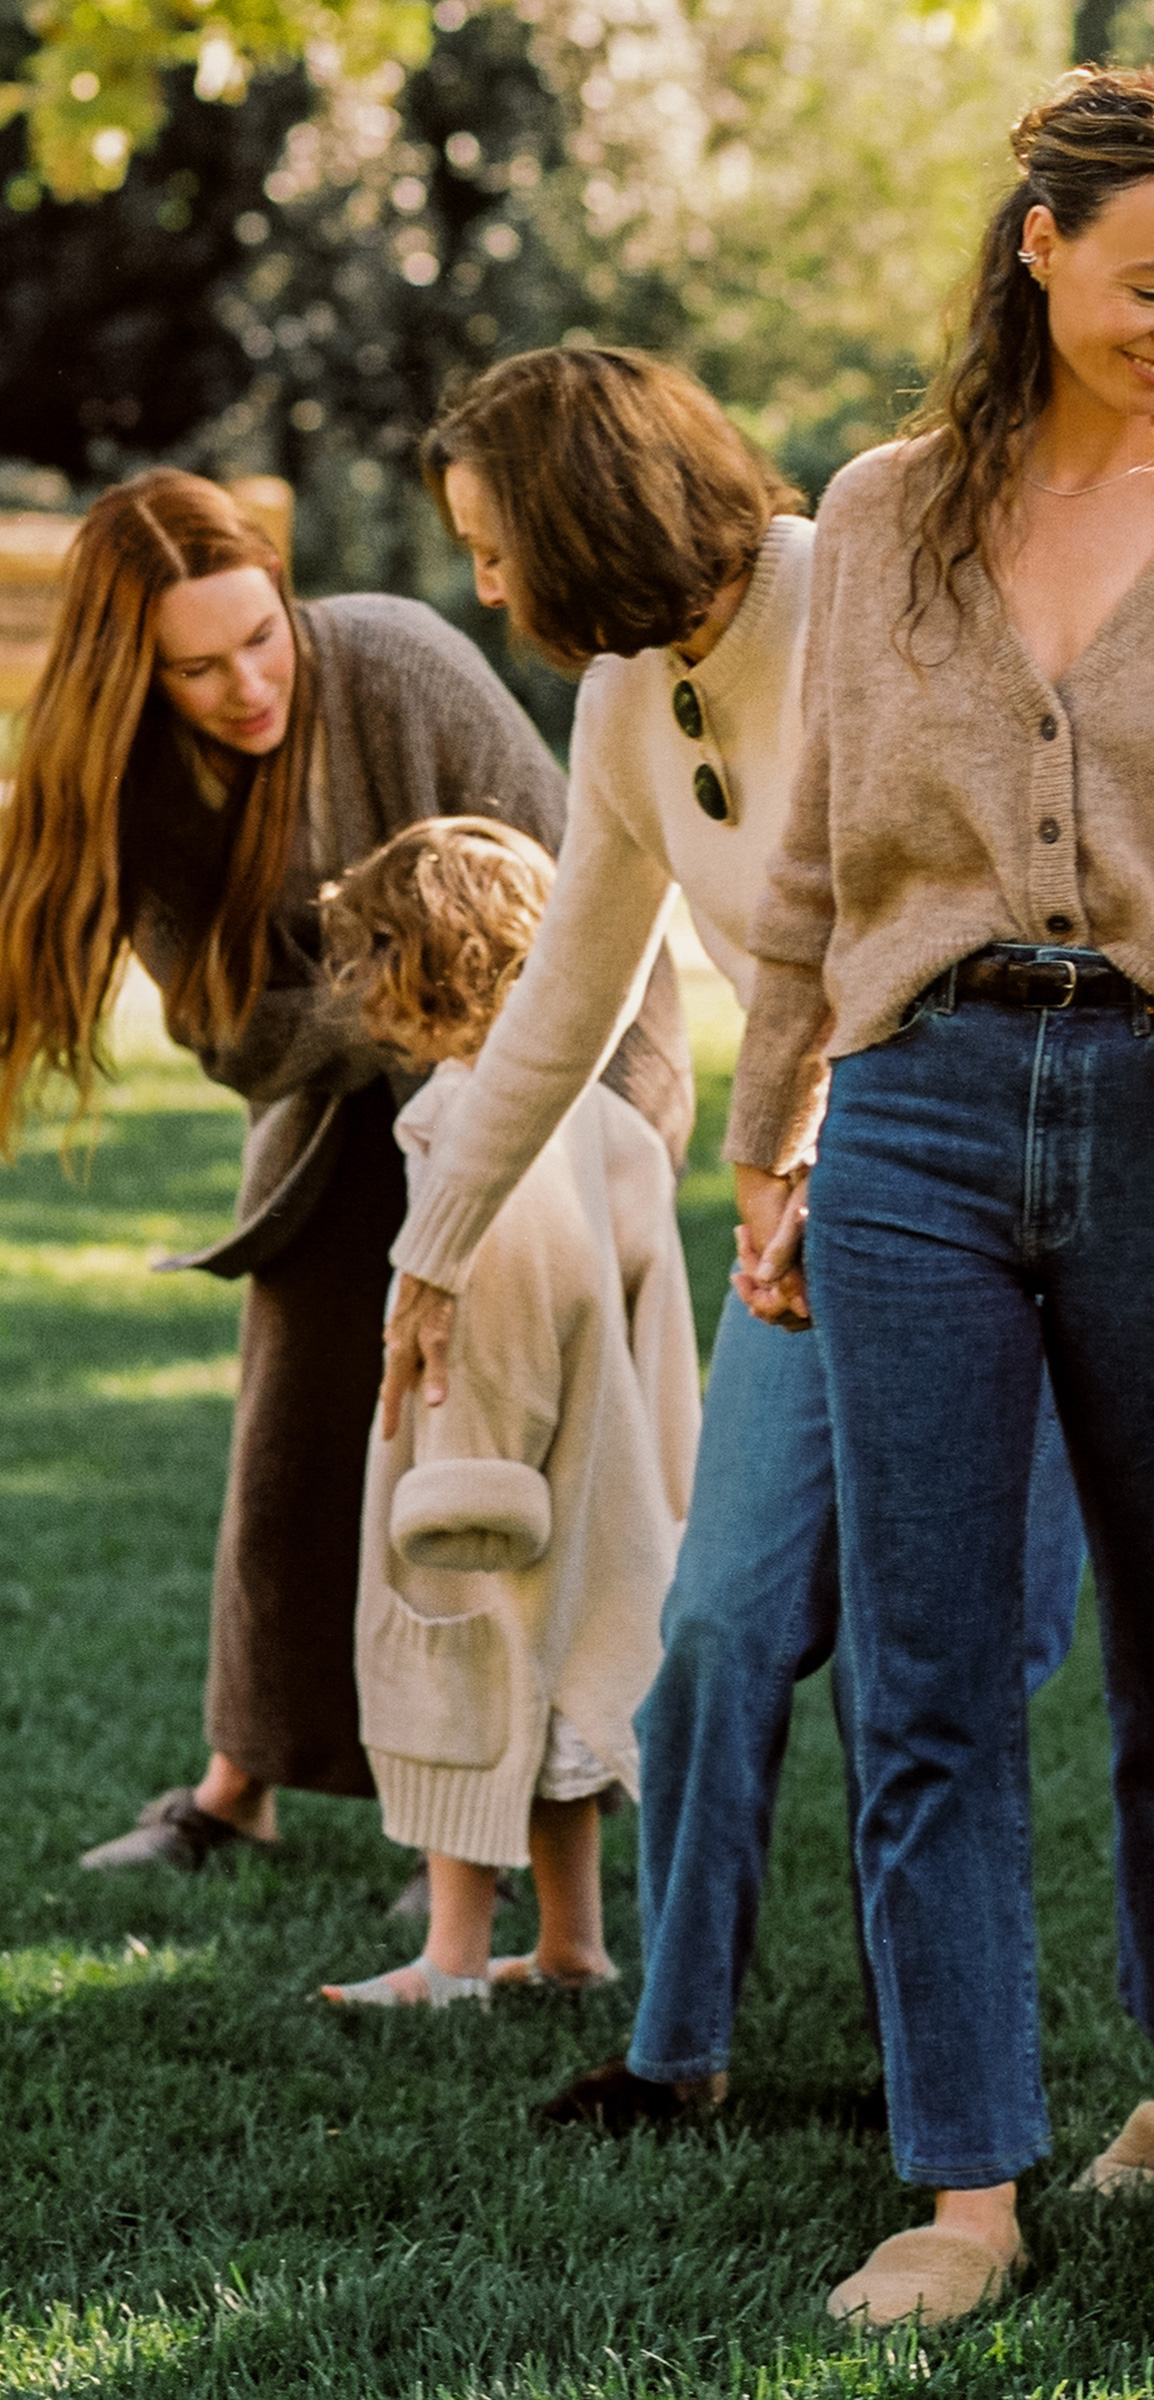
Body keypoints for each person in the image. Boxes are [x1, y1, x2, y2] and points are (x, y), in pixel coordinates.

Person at [722, 65, 1154, 2328]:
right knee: (919, 1664)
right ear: (1039, 247)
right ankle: (964, 2186)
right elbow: (814, 858)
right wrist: (771, 1133)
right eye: (1149, 283)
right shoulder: (883, 509)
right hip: (912, 1113)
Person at [374, 346, 1089, 2121]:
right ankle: (673, 2049)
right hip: (805, 1224)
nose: (487, 588)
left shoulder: (857, 592)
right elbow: (567, 992)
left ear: (582, 514)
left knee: (956, 1662)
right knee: (714, 1630)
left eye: (495, 544)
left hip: (994, 1190)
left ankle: (957, 2056)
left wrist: (812, 1140)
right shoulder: (630, 699)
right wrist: (432, 1250)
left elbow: (953, 899)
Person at [0, 471, 674, 1873]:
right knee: (299, 1454)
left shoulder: (398, 660)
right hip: (330, 1129)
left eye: (261, 637)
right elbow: (231, 1038)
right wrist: (396, 1006)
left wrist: (614, 1150)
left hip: (531, 1110)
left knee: (492, 1464)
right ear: (136, 675)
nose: (248, 685)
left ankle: (495, 1833)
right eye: (197, 668)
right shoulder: (134, 782)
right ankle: (237, 1787)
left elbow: (588, 908)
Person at [314, 818, 696, 2007]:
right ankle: (572, 1947)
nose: (357, 983)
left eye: (372, 954)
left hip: (501, 1482)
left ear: (430, 964)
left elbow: (516, 1306)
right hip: (602, 1476)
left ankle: (453, 1959)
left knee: (476, 1700)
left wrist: (466, 1475)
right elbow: (640, 1308)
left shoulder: (492, 1122)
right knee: (560, 1719)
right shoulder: (596, 1114)